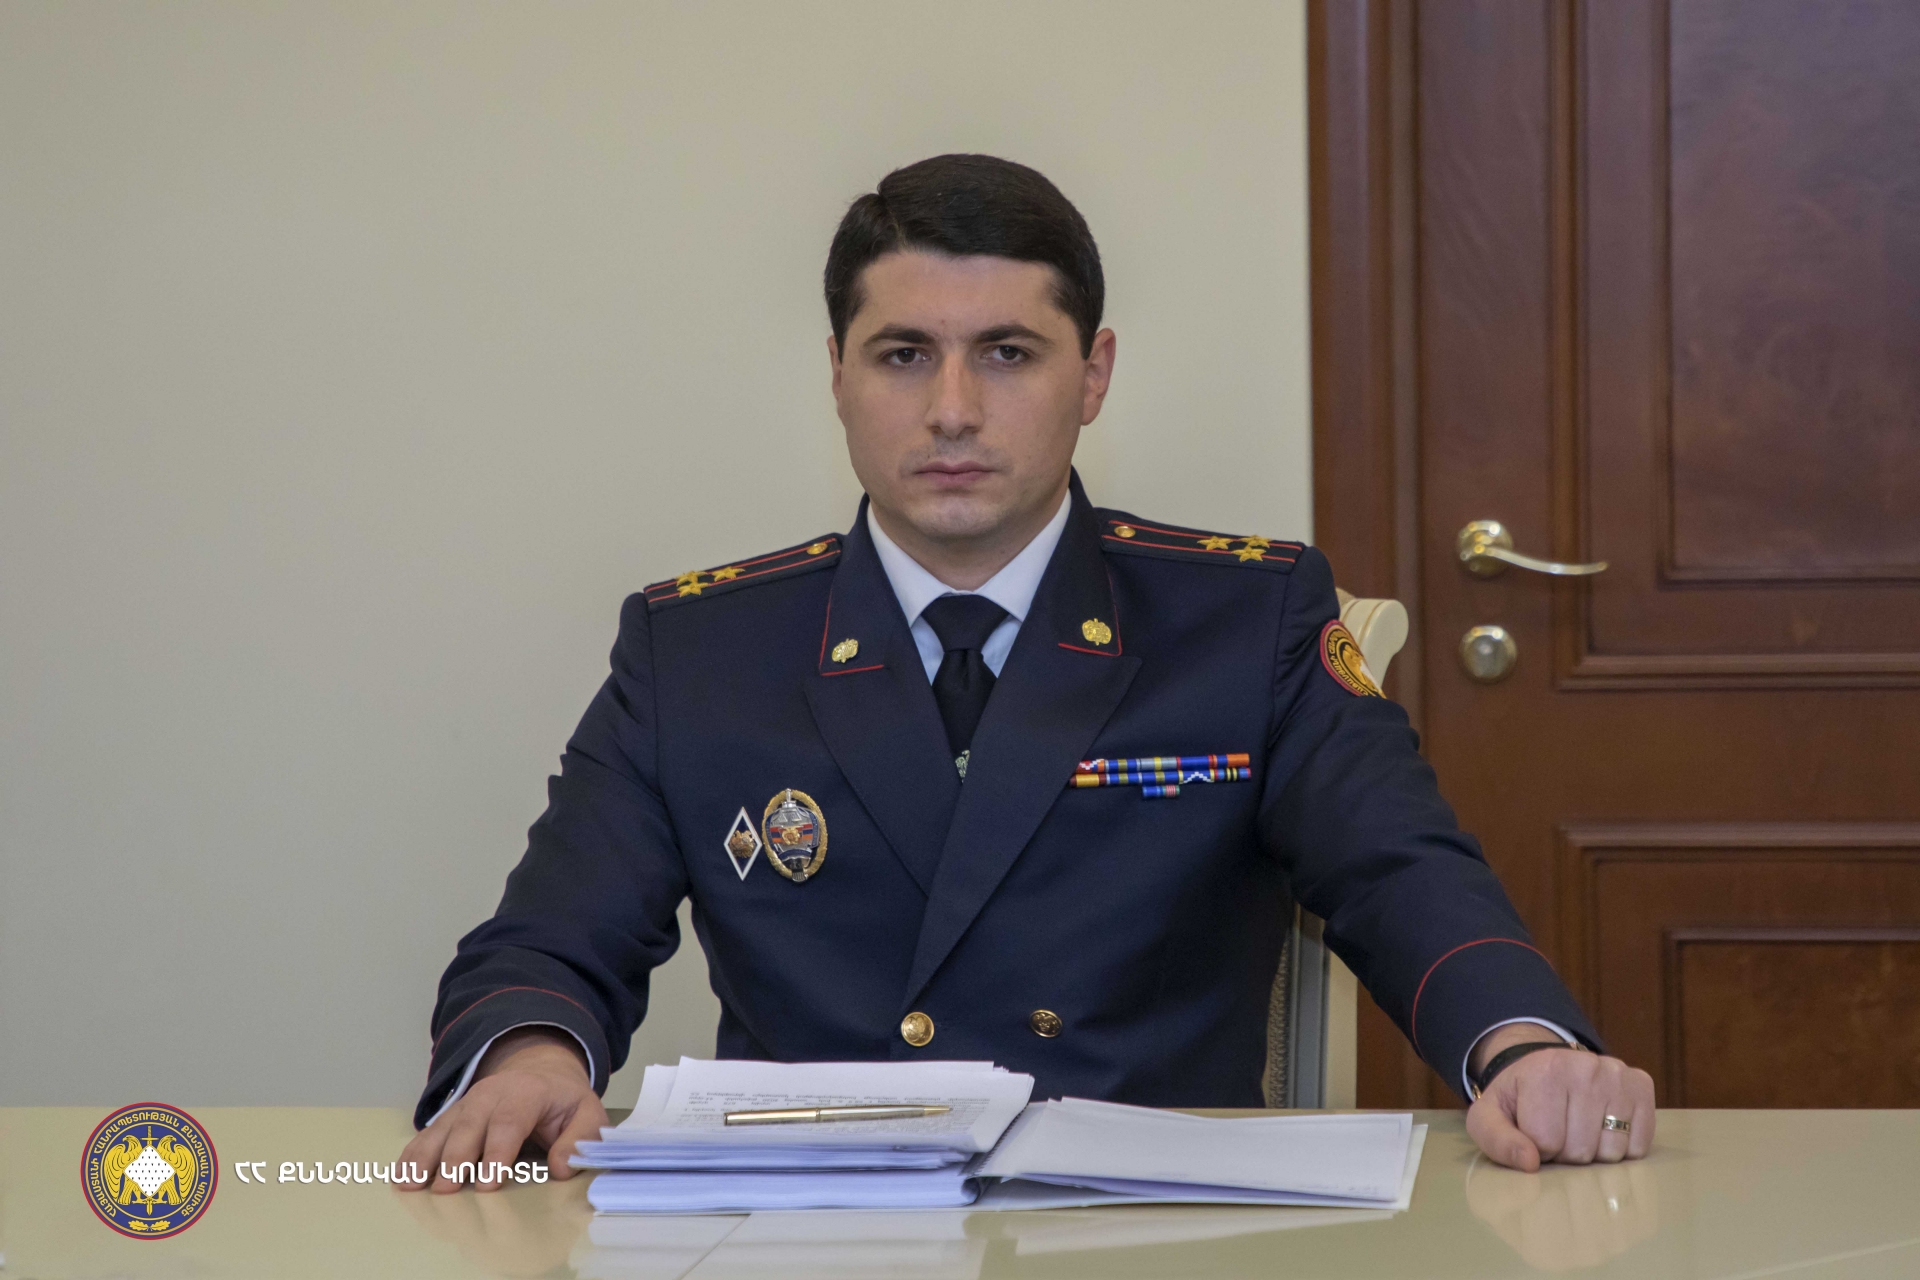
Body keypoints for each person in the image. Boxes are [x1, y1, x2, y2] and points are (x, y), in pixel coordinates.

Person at [400, 154, 1655, 1193]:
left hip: (1144, 1224)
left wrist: (1521, 1045)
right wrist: (528, 1057)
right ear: (836, 373)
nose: (952, 409)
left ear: (1092, 373)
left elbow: (1400, 871)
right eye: (903, 354)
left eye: (1006, 352)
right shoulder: (701, 651)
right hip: (815, 1227)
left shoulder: (1246, 620)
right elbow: (552, 931)